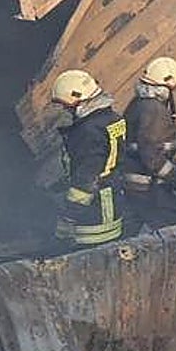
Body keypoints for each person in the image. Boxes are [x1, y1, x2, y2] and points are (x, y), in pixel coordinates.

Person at [50, 69, 126, 247]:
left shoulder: (88, 131)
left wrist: (68, 216)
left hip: (94, 216)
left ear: (77, 98)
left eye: (66, 105)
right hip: (113, 199)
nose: (65, 110)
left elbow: (86, 178)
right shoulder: (113, 119)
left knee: (90, 260)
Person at [123, 56, 176, 230]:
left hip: (138, 186)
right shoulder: (153, 110)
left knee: (131, 230)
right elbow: (152, 156)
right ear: (165, 86)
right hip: (149, 188)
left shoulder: (140, 104)